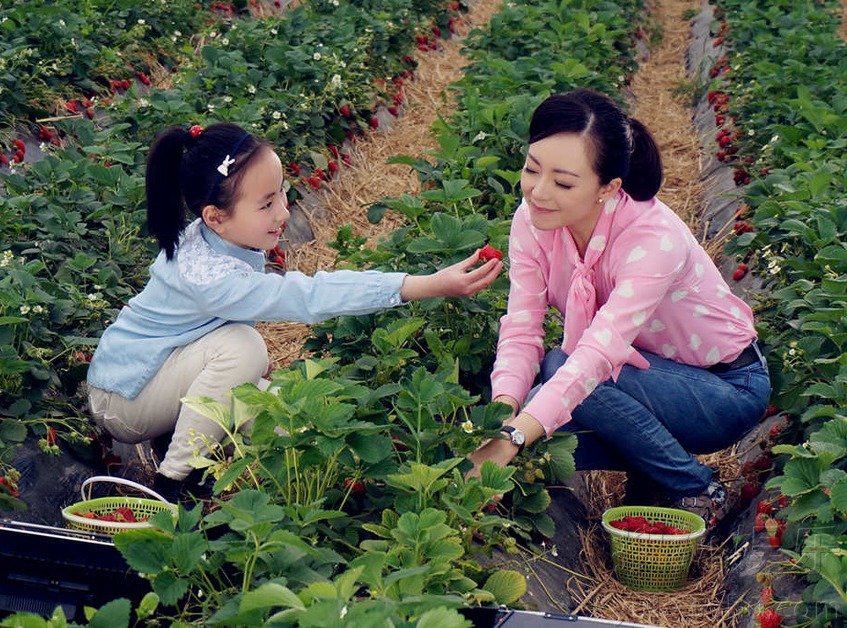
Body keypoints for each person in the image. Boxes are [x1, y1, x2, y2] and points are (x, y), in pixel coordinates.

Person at [86, 122, 502, 501]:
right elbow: (310, 297)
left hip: (158, 377)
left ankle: (373, 487)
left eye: (281, 192)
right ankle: (171, 482)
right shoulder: (210, 276)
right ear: (215, 217)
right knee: (244, 349)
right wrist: (425, 285)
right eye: (266, 204)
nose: (284, 212)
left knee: (289, 417)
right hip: (125, 400)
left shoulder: (219, 237)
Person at [467, 89, 770, 527]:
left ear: (608, 188)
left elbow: (595, 356)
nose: (538, 191)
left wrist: (513, 437)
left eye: (564, 182)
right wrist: (504, 416)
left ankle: (698, 485)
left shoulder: (651, 238)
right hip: (638, 380)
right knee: (545, 444)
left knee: (559, 371)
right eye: (532, 169)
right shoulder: (531, 222)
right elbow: (522, 327)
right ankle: (650, 474)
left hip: (722, 391)